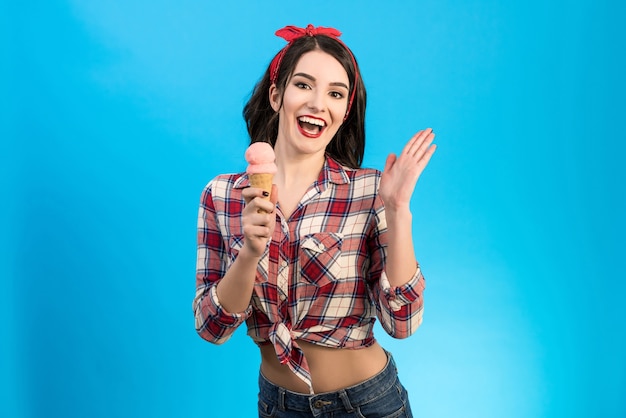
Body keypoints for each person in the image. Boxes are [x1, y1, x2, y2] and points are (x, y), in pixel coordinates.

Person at [193, 24, 436, 417]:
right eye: (304, 85)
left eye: (335, 93)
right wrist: (250, 253)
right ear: (277, 96)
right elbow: (212, 328)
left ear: (344, 111)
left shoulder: (371, 191)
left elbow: (403, 323)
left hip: (369, 403)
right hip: (279, 405)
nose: (318, 103)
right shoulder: (222, 196)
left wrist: (397, 210)